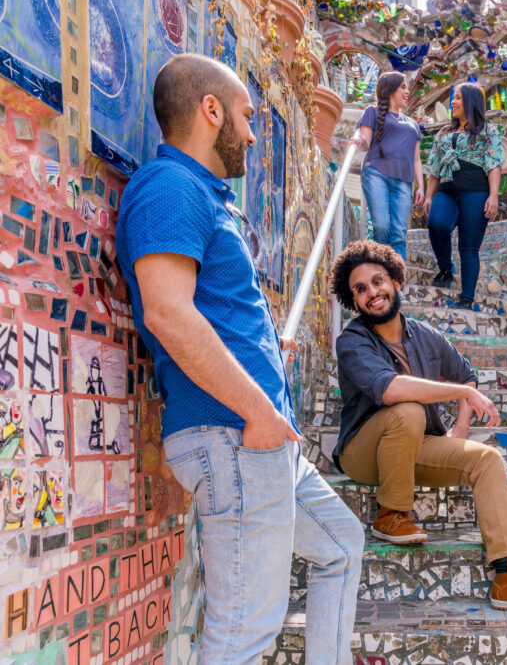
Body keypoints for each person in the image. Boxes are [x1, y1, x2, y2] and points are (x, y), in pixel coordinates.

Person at [116, 53, 363, 664]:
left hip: (255, 437)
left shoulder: (207, 196)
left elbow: (211, 312)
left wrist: (265, 357)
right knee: (243, 635)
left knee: (341, 543)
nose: (253, 133)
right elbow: (167, 312)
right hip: (234, 436)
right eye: (248, 117)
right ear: (210, 110)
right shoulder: (169, 186)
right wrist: (257, 410)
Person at [330, 240, 507, 613]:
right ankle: (391, 512)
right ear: (353, 301)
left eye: (378, 281)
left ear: (396, 281)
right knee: (408, 409)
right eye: (359, 289)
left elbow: (467, 376)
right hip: (363, 453)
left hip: (413, 445)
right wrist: (460, 391)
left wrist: (460, 426)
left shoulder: (425, 335)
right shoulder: (352, 340)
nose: (372, 293)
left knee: (488, 460)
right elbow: (392, 390)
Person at [423, 82, 505, 308]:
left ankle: (467, 298)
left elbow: (494, 165)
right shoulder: (444, 132)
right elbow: (434, 166)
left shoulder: (488, 132)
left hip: (476, 192)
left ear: (471, 101)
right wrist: (429, 196)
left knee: (468, 247)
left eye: (458, 98)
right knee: (437, 224)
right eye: (453, 98)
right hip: (447, 189)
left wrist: (494, 196)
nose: (453, 102)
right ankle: (445, 269)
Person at [350, 71, 424, 259]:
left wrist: (420, 186)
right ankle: (379, 275)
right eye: (403, 87)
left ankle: (397, 283)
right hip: (376, 174)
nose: (407, 92)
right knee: (382, 228)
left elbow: (416, 159)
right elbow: (365, 142)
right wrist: (357, 141)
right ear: (390, 88)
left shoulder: (413, 124)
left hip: (404, 182)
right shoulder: (372, 112)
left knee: (399, 234)